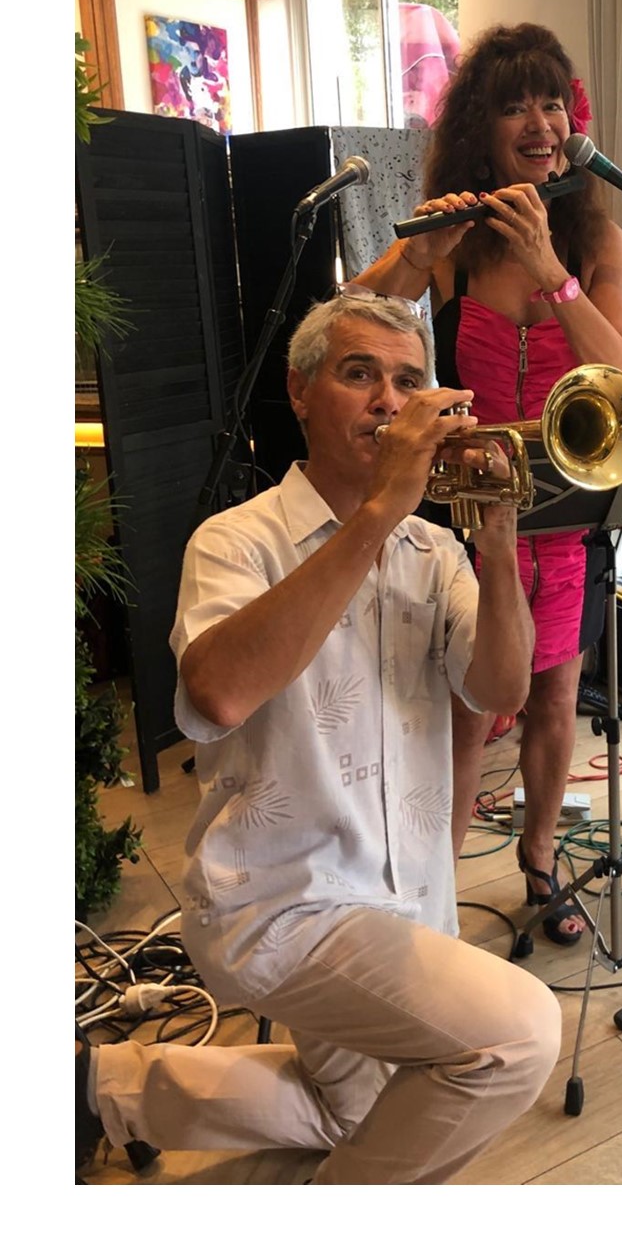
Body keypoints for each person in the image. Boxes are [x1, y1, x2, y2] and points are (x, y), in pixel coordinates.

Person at [76, 294, 560, 1185]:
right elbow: (219, 693)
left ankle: (100, 1088)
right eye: (359, 374)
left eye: (409, 380)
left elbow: (501, 690)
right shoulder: (236, 541)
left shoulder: (436, 552)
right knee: (515, 1037)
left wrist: (497, 542)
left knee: (352, 1113)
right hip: (280, 904)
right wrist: (378, 512)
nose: (389, 401)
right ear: (300, 392)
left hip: (409, 898)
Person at [352, 23, 622, 944]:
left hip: (568, 505)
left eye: (552, 102)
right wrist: (423, 248)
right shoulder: (460, 241)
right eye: (514, 106)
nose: (540, 123)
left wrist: (554, 274)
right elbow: (355, 319)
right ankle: (434, 885)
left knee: (556, 696)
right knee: (469, 708)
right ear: (481, 127)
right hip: (470, 509)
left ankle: (541, 858)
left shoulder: (598, 234)